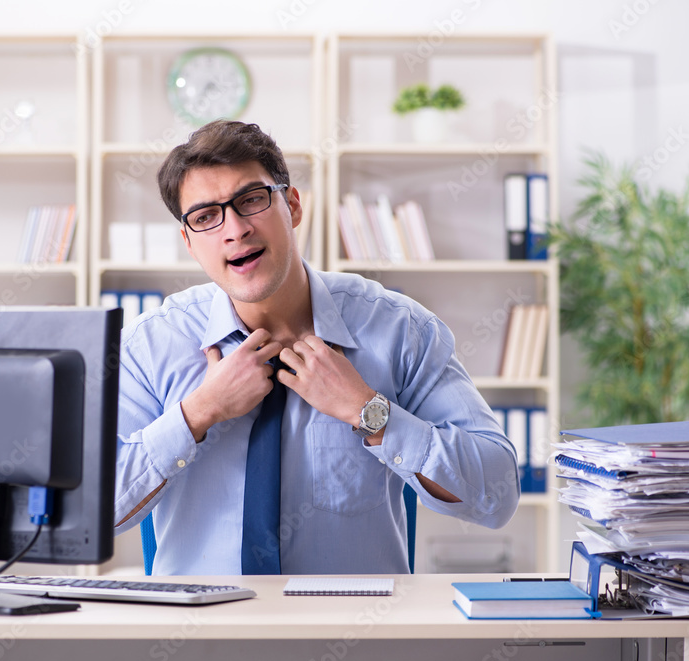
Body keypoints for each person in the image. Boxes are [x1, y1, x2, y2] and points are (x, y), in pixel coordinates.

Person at [114, 120, 519, 576]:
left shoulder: (401, 330)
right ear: (188, 242)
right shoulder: (151, 343)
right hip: (199, 636)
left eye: (251, 200)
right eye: (206, 217)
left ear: (292, 205)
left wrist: (370, 411)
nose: (235, 230)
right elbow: (96, 511)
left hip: (354, 635)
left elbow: (498, 494)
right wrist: (198, 413)